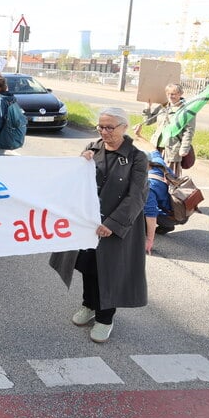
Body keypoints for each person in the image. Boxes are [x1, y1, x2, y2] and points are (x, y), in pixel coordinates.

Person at [49, 107, 148, 343]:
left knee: (109, 272)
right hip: (89, 224)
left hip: (115, 227)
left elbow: (137, 196)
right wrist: (79, 165)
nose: (104, 132)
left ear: (123, 128)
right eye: (100, 127)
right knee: (88, 266)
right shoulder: (91, 149)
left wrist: (112, 223)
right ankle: (89, 304)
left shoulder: (137, 157)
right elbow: (75, 184)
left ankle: (105, 318)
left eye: (109, 127)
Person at [134, 83, 195, 177]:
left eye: (174, 94)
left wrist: (184, 149)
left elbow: (189, 131)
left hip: (172, 149)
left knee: (169, 177)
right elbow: (148, 122)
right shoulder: (163, 107)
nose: (171, 96)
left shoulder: (186, 110)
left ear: (180, 94)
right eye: (168, 94)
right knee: (154, 174)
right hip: (156, 146)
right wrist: (148, 108)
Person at [144, 150, 175, 255]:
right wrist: (139, 136)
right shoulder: (158, 162)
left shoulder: (148, 187)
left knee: (139, 207)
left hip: (172, 216)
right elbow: (155, 151)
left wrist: (149, 240)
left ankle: (167, 223)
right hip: (182, 210)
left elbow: (151, 215)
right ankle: (167, 224)